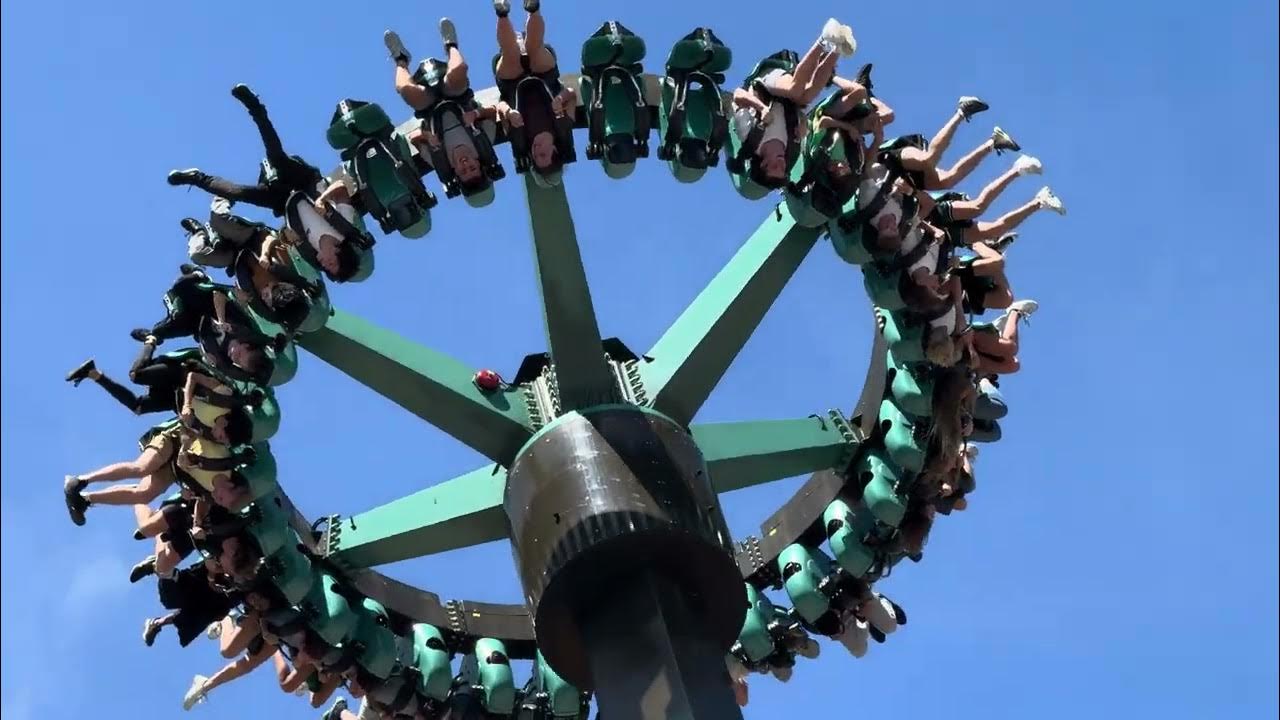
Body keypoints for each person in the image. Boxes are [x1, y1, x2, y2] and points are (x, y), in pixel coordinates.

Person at [385, 18, 502, 203]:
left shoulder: (440, 162)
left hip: (429, 107)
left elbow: (414, 138)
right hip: (456, 97)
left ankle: (400, 59)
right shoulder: (483, 145)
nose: (466, 165)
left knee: (405, 90)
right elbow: (492, 113)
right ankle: (451, 45)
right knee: (460, 69)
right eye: (472, 168)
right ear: (479, 164)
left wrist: (428, 138)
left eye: (464, 171)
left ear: (456, 173)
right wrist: (476, 115)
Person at [730, 19, 857, 188]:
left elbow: (738, 95)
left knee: (794, 90)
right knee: (806, 97)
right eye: (783, 169)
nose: (782, 164)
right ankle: (837, 49)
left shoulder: (751, 138)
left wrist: (761, 108)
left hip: (765, 84)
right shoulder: (791, 149)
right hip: (789, 100)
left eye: (775, 167)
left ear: (763, 164)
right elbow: (796, 112)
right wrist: (803, 123)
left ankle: (823, 40)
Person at [168, 85, 326, 217]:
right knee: (240, 188)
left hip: (300, 182)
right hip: (282, 194)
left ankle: (256, 109)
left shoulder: (300, 178)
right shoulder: (277, 194)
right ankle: (197, 178)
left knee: (274, 158)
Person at [491, 0, 579, 183]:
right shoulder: (563, 128)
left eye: (536, 157)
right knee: (534, 48)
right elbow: (571, 94)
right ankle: (533, 9)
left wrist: (509, 112)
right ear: (554, 150)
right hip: (543, 75)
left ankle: (502, 12)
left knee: (510, 53)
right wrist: (560, 99)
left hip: (513, 82)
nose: (537, 152)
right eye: (543, 154)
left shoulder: (520, 140)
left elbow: (499, 106)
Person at [63, 419, 186, 526]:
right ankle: (79, 480)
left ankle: (84, 500)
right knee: (142, 468)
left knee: (145, 494)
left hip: (182, 464)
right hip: (178, 437)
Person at [961, 299, 1038, 376]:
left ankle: (1014, 312)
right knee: (1013, 365)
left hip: (964, 336)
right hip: (963, 357)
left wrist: (969, 344)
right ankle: (998, 330)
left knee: (1010, 349)